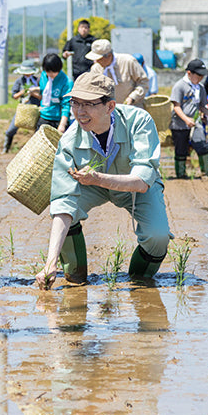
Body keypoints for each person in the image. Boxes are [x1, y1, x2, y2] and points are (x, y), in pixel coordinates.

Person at [35, 73, 172, 288]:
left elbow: (142, 181)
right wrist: (50, 262)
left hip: (133, 185)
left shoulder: (139, 122)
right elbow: (63, 202)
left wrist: (98, 178)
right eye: (75, 103)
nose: (80, 112)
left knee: (158, 236)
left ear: (110, 106)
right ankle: (75, 277)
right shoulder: (70, 140)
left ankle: (140, 280)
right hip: (92, 186)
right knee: (66, 213)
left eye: (88, 104)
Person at [169, 59, 208, 178]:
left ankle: (207, 172)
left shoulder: (201, 88)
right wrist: (186, 119)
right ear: (189, 73)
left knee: (202, 145)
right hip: (179, 124)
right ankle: (181, 174)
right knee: (181, 149)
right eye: (198, 75)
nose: (201, 78)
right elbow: (176, 106)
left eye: (202, 75)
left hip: (195, 122)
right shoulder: (180, 86)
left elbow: (202, 106)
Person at [85, 39, 149, 108]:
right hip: (108, 111)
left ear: (109, 56)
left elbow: (143, 82)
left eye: (99, 58)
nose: (96, 61)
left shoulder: (128, 61)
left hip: (132, 108)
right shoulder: (96, 68)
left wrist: (133, 97)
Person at [2, 59, 40, 153]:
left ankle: (36, 150)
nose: (27, 74)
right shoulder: (19, 81)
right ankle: (6, 148)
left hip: (36, 109)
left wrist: (33, 93)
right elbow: (14, 95)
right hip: (23, 109)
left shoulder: (37, 80)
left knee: (38, 130)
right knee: (11, 129)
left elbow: (42, 96)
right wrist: (23, 92)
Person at [29, 53, 73, 133]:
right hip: (43, 116)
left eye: (53, 72)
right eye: (48, 72)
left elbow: (66, 105)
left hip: (58, 119)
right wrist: (34, 90)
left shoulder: (67, 82)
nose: (50, 75)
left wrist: (62, 125)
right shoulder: (43, 76)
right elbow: (44, 90)